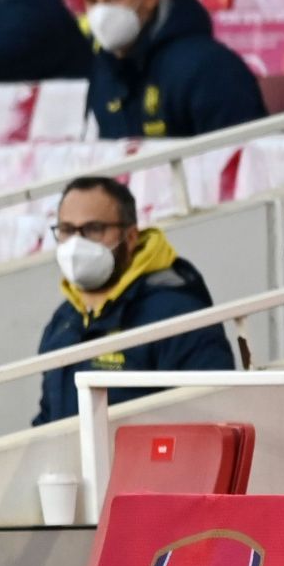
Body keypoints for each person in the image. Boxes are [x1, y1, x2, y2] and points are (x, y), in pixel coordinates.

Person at [33, 177, 234, 425]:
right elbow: (49, 420)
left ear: (130, 238)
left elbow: (215, 418)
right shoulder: (63, 321)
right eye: (66, 230)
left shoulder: (178, 315)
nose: (76, 243)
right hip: (74, 463)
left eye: (93, 229)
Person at [80, 0, 267, 139]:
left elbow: (239, 160)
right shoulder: (103, 70)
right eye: (92, 0)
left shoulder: (210, 67)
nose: (102, 12)